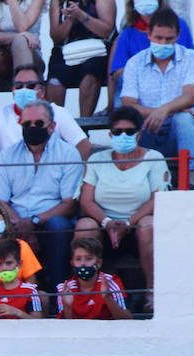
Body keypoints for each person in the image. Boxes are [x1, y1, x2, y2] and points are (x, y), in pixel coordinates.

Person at [75, 103, 169, 307]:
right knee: (84, 227)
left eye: (129, 131)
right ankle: (84, 294)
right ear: (110, 135)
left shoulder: (154, 158)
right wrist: (108, 222)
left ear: (139, 133)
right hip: (104, 227)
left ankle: (152, 293)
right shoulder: (97, 159)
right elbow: (86, 200)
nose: (123, 135)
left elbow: (157, 198)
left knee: (148, 224)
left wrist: (128, 223)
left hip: (137, 227)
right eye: (117, 132)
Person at [0, 97, 82, 287]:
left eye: (39, 123)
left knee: (58, 225)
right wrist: (21, 225)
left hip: (49, 222)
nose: (32, 127)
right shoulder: (8, 154)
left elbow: (69, 204)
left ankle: (57, 294)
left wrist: (34, 221)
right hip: (14, 222)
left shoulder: (68, 154)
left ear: (52, 126)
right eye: (27, 123)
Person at [0, 66, 90, 205]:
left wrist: (73, 182)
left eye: (30, 85)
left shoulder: (58, 113)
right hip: (9, 192)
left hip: (51, 195)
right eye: (18, 86)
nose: (23, 90)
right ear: (12, 91)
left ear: (42, 90)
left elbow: (84, 146)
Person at [119, 8, 194, 171]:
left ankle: (192, 178)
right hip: (147, 130)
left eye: (168, 39)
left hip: (179, 133)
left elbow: (190, 96)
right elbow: (128, 104)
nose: (163, 43)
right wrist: (160, 112)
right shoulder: (134, 63)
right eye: (158, 38)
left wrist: (163, 111)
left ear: (178, 36)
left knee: (183, 120)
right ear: (148, 35)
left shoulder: (190, 57)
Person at [108, 0, 194, 104]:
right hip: (136, 93)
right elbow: (118, 73)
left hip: (174, 92)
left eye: (168, 38)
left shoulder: (179, 26)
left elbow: (190, 65)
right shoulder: (127, 34)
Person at [0, 0, 46, 119]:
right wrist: (19, 36)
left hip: (30, 59)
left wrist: (12, 2)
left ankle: (27, 115)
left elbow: (22, 26)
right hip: (0, 61)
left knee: (20, 42)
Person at [45, 0, 115, 118]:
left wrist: (81, 15)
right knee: (55, 79)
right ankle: (56, 124)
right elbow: (56, 38)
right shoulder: (57, 2)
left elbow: (106, 31)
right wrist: (71, 18)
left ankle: (84, 125)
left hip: (97, 49)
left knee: (91, 73)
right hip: (67, 50)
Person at [56, 235, 131, 317]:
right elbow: (64, 328)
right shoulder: (64, 289)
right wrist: (67, 307)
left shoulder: (111, 283)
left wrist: (107, 297)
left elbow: (127, 321)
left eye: (88, 259)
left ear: (99, 263)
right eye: (78, 259)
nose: (83, 263)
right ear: (72, 263)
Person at [0, 237, 44, 318]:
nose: (4, 268)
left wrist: (16, 312)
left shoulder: (30, 291)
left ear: (19, 264)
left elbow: (38, 322)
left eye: (9, 263)